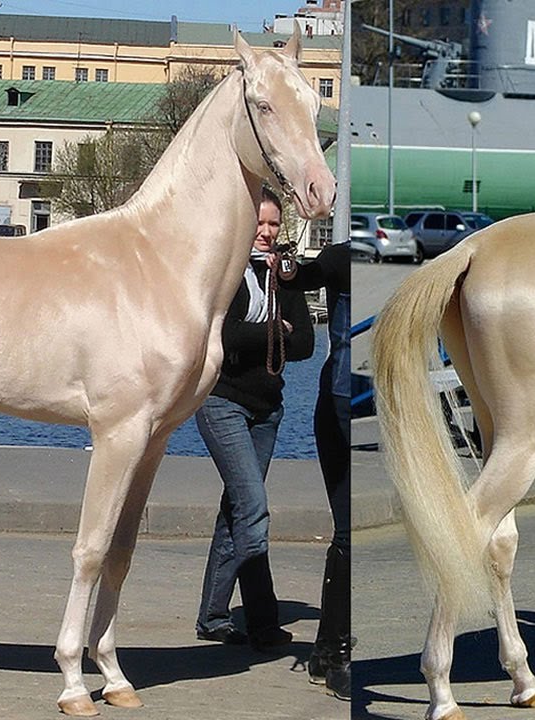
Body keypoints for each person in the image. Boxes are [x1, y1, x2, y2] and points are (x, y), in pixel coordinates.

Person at [194, 188, 314, 650]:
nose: (266, 234)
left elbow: (303, 343)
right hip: (223, 401)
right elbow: (223, 334)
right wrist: (272, 331)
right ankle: (263, 621)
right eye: (259, 224)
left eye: (273, 226)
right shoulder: (224, 272)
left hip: (268, 410)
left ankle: (213, 616)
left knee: (237, 509)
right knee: (253, 508)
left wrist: (272, 329)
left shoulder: (284, 276)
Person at [275, 232, 351, 698]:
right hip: (341, 403)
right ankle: (339, 652)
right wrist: (285, 269)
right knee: (347, 532)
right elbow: (305, 274)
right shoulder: (341, 258)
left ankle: (324, 651)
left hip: (367, 402)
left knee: (348, 533)